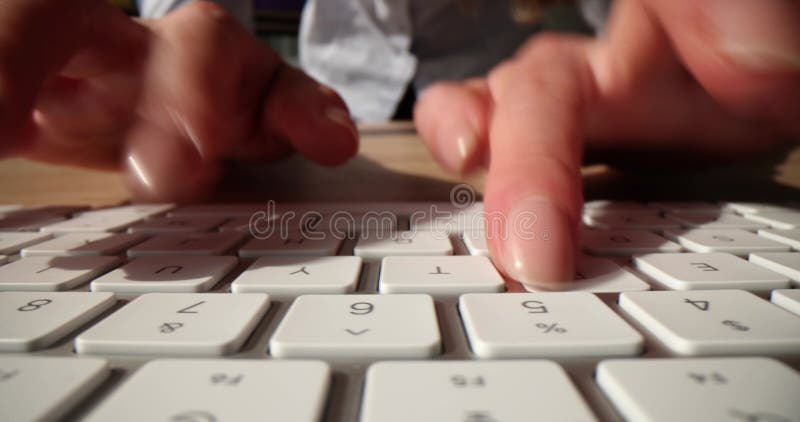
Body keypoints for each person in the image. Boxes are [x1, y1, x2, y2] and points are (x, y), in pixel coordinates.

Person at [0, 0, 797, 287]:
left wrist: (674, 76)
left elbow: (620, 32)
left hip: (507, 113)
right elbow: (187, 32)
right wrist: (173, 76)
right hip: (302, 134)